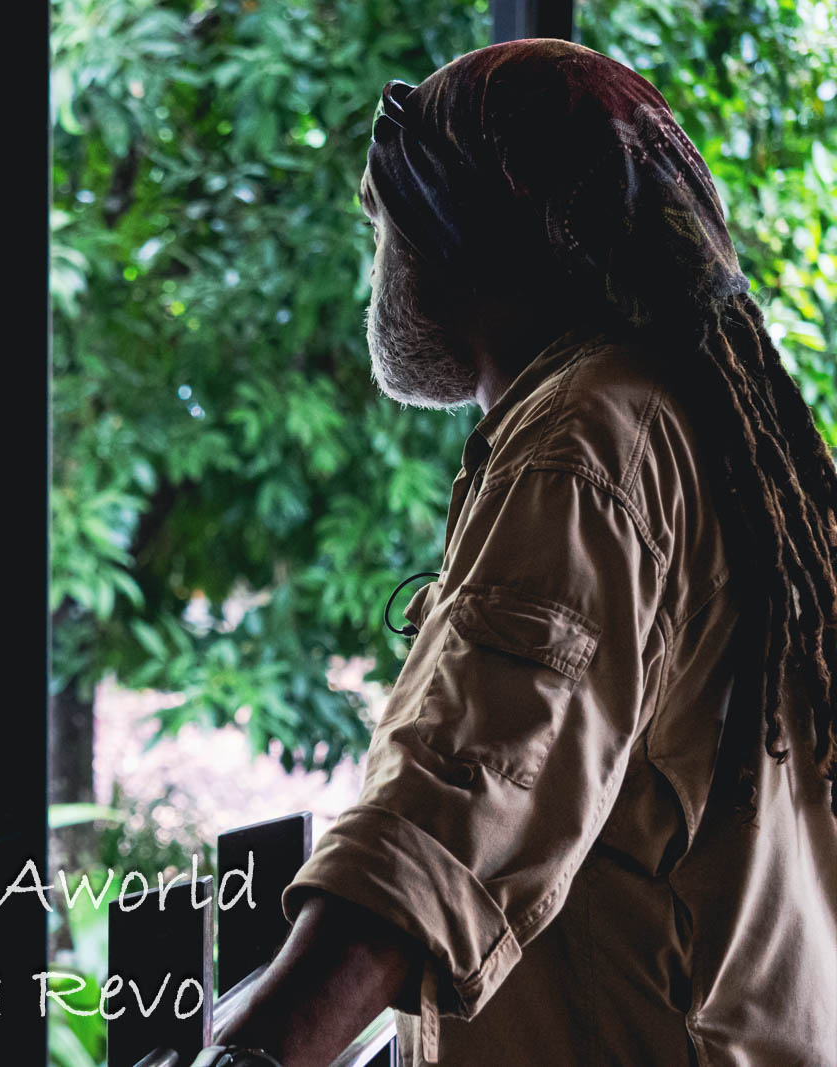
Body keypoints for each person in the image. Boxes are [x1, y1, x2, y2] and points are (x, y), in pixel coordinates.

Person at [213, 37, 837, 1067]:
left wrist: (259, 1046)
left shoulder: (588, 443)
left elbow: (457, 794)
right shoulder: (702, 424)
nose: (379, 266)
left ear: (462, 239)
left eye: (388, 223)